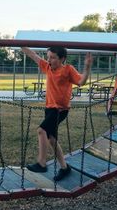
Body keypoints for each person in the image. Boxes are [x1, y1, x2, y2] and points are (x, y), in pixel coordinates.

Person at [21, 46, 92, 181]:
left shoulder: (67, 70)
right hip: (49, 109)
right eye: (48, 57)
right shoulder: (47, 67)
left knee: (41, 130)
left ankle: (41, 163)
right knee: (52, 140)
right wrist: (21, 44)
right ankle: (65, 168)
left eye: (53, 57)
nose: (49, 60)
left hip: (60, 110)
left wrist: (87, 67)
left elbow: (81, 82)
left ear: (62, 59)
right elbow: (33, 55)